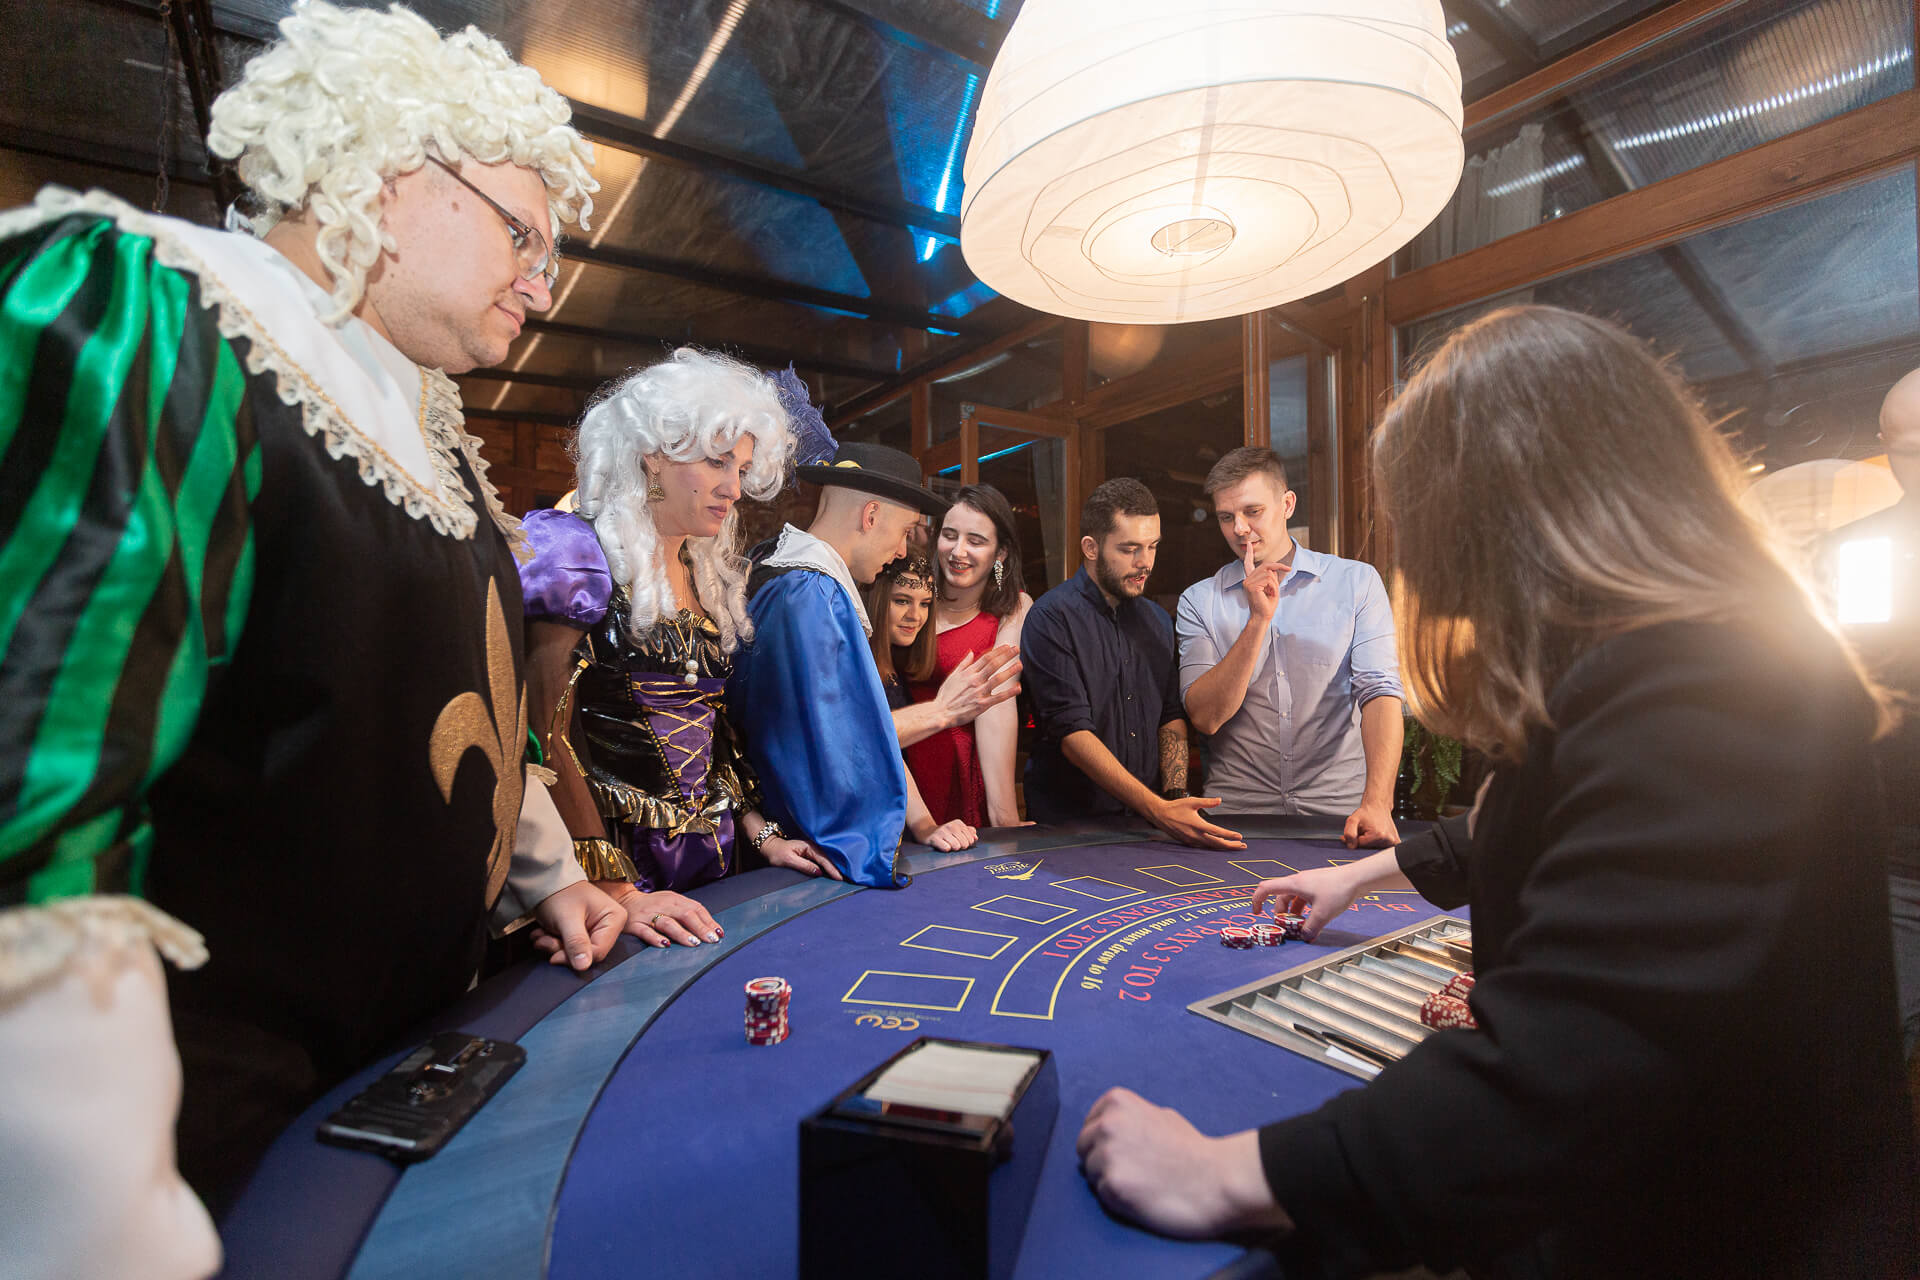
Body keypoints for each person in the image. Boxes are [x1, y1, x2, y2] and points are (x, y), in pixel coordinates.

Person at [1075, 306, 1918, 1277]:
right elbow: (1568, 822)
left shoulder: (1714, 678)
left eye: (1420, 507)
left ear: (1509, 501)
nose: (1414, 548)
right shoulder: (1655, 655)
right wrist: (1365, 875)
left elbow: (1570, 1063)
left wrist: (1232, 1172)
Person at [0, 1, 634, 1242]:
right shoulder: (163, 308)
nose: (542, 282)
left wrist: (550, 882)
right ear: (393, 173)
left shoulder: (434, 430)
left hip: (393, 1084)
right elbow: (37, 797)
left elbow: (466, 708)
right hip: (192, 1143)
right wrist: (90, 1222)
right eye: (522, 232)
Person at [520, 350, 844, 951]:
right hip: (607, 868)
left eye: (742, 468)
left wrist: (762, 833)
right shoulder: (575, 555)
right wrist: (617, 890)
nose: (734, 489)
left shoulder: (706, 573)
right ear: (653, 453)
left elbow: (713, 734)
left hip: (712, 859)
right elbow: (541, 739)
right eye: (717, 461)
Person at [729, 442, 948, 885]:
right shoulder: (810, 592)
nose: (902, 550)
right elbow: (827, 741)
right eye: (905, 531)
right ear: (871, 516)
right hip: (804, 851)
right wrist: (944, 712)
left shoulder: (777, 565)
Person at [1176, 448, 1403, 848]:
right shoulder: (1199, 600)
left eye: (1252, 511)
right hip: (1237, 820)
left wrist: (1378, 803)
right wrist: (1257, 620)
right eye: (1226, 517)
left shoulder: (1356, 582)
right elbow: (1206, 718)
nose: (1240, 529)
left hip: (1341, 816)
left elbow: (1380, 693)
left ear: (1287, 504)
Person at [1020, 479, 1242, 849]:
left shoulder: (1157, 620)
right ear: (1091, 548)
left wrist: (1174, 798)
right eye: (1130, 549)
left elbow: (1170, 715)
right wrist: (1158, 809)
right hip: (1069, 830)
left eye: (1152, 546)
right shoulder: (1051, 617)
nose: (1145, 562)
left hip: (1147, 826)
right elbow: (1072, 734)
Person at [1824, 368, 1920, 1062]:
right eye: (1911, 449)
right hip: (1897, 854)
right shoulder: (1866, 551)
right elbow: (1855, 682)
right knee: (1878, 1038)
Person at [907, 484, 1033, 828]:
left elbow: (997, 704)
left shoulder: (1013, 608)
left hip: (960, 775)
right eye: (950, 535)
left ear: (1001, 553)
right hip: (899, 766)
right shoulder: (911, 597)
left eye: (975, 541)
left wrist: (1004, 817)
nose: (958, 551)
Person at [866, 555, 979, 852]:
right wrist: (924, 825)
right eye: (902, 601)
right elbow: (881, 747)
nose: (915, 615)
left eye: (925, 603)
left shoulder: (896, 663)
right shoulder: (860, 665)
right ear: (876, 600)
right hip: (864, 828)